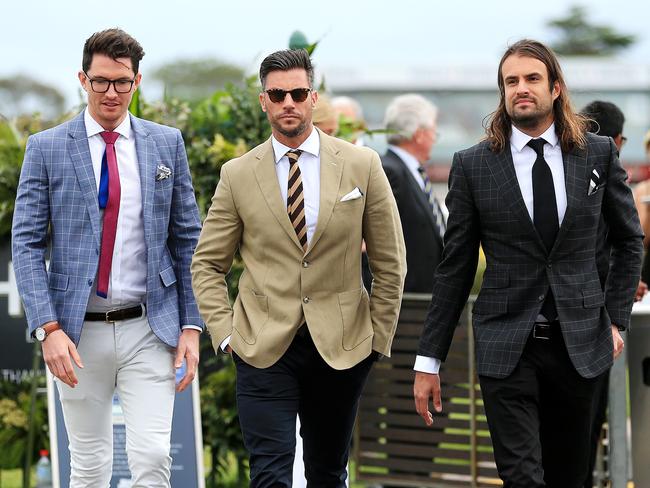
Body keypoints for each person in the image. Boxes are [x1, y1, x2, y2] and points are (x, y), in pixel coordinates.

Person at [412, 39, 643, 488]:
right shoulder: (473, 165)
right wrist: (428, 359)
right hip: (507, 345)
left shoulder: (596, 153)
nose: (521, 88)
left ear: (555, 88)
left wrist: (615, 322)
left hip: (581, 345)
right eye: (511, 81)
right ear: (502, 92)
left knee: (569, 477)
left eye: (532, 79)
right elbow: (454, 268)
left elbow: (629, 240)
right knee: (521, 477)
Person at [191, 48, 406, 487]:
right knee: (269, 474)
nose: (288, 102)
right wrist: (226, 333)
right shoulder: (236, 174)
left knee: (328, 472)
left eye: (298, 92)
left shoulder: (362, 165)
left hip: (343, 346)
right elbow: (208, 264)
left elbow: (390, 260)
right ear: (264, 101)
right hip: (261, 345)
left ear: (313, 98)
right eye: (277, 93)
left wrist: (377, 339)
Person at [12, 28, 202, 487]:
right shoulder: (47, 147)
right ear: (83, 79)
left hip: (149, 325)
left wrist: (192, 326)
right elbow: (26, 242)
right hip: (76, 334)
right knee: (90, 465)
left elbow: (187, 239)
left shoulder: (166, 144)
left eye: (121, 81)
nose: (111, 92)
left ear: (137, 81)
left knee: (154, 456)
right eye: (100, 81)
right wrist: (48, 328)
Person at [382, 94, 444, 293]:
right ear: (419, 134)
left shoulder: (413, 171)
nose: (435, 139)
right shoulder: (389, 171)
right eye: (434, 131)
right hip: (408, 300)